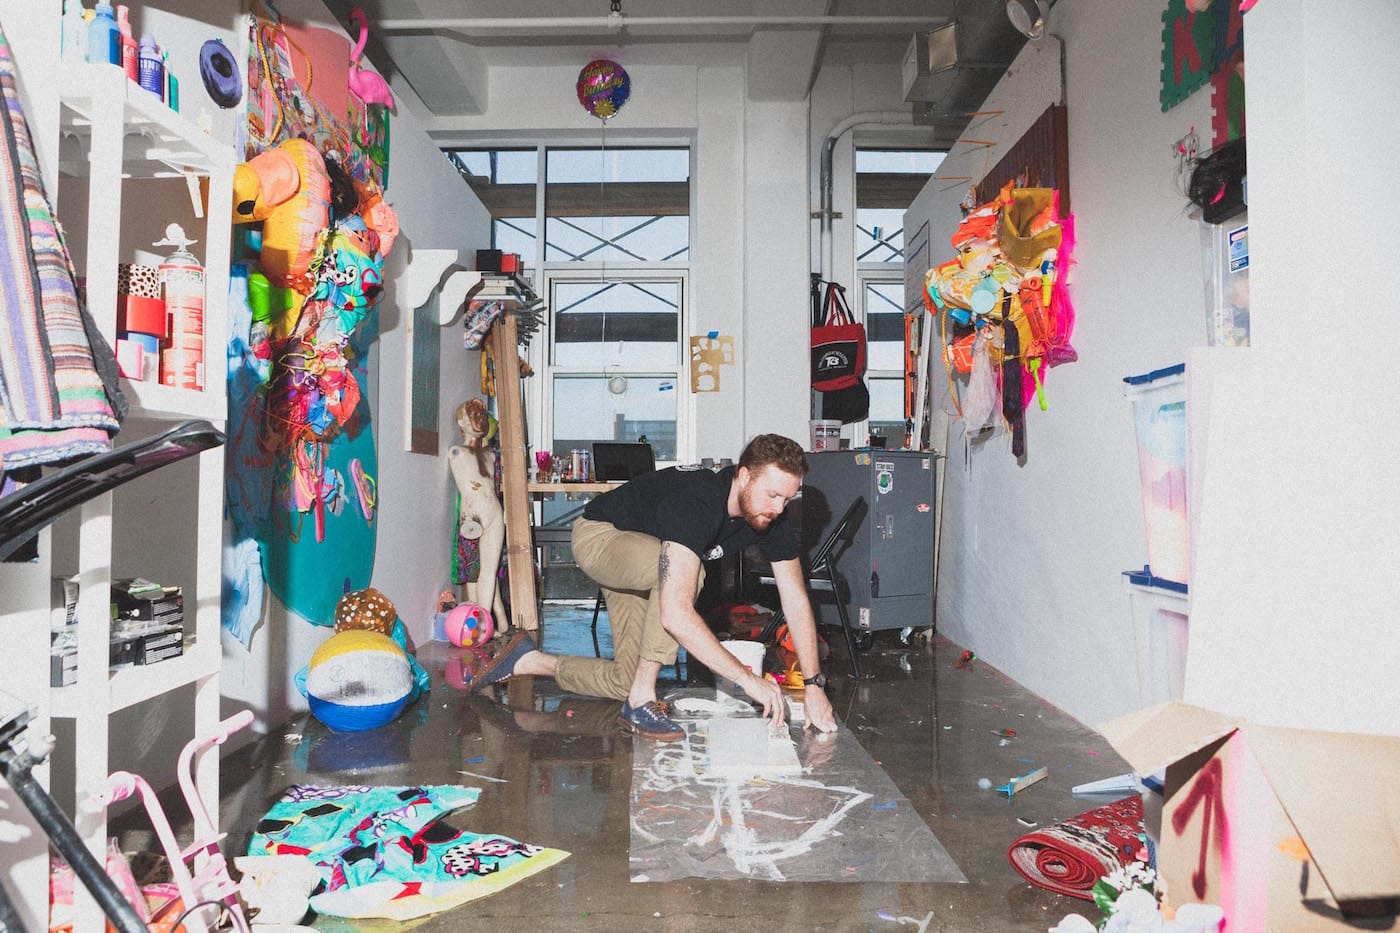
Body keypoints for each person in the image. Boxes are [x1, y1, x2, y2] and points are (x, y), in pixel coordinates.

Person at [467, 433, 839, 739]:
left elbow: (795, 598)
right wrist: (748, 681)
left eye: (788, 498)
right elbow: (676, 612)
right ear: (743, 476)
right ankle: (643, 700)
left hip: (644, 559)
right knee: (690, 578)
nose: (778, 507)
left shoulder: (771, 517)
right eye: (772, 494)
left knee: (624, 681)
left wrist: (814, 684)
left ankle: (527, 661)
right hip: (601, 538)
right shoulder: (699, 501)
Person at [448, 398, 507, 636]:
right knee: (476, 571)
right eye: (473, 415)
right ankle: (484, 623)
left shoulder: (491, 456)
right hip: (474, 516)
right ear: (463, 421)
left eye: (481, 415)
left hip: (493, 513)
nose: (478, 420)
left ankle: (487, 623)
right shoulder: (456, 453)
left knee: (489, 572)